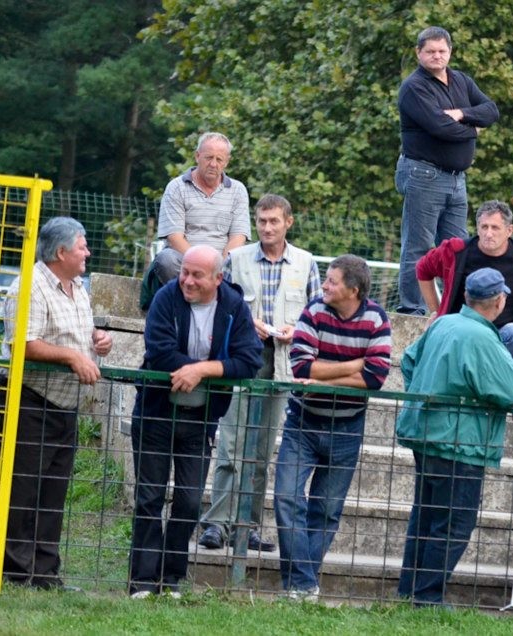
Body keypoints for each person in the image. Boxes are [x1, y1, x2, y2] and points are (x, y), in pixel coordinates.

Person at [129, 245, 263, 598]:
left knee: (189, 502)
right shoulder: (165, 298)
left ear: (218, 278)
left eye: (196, 275)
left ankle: (171, 578)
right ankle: (142, 582)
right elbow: (159, 352)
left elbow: (250, 359)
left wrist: (201, 370)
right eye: (184, 272)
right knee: (149, 497)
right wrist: (199, 369)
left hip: (201, 420)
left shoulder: (234, 306)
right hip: (156, 413)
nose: (187, 280)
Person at [396, 268, 513, 607]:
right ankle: (427, 598)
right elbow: (510, 389)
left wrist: (424, 392)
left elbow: (408, 360)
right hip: (461, 442)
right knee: (454, 523)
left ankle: (409, 590)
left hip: (425, 432)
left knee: (425, 515)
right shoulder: (482, 338)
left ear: (467, 297)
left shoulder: (443, 323)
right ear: (498, 301)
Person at [197, 194, 322, 554]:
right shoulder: (236, 259)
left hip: (281, 362)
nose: (267, 228)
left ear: (288, 222)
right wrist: (245, 322)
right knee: (231, 443)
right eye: (262, 221)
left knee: (263, 450)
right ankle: (217, 523)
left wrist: (296, 329)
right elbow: (217, 303)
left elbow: (316, 314)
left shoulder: (306, 262)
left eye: (274, 221)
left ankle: (247, 526)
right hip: (241, 359)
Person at [1, 217, 112, 590]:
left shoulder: (78, 286)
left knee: (53, 492)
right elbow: (24, 344)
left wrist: (97, 341)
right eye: (82, 246)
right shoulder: (28, 287)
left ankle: (45, 571)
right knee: (24, 488)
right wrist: (72, 356)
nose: (88, 253)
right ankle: (17, 570)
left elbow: (77, 334)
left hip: (66, 406)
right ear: (61, 252)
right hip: (33, 402)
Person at [274, 254, 392, 600]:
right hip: (302, 421)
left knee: (326, 511)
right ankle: (304, 583)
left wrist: (325, 376)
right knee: (286, 497)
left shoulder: (376, 318)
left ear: (353, 290)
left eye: (331, 281)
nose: (324, 285)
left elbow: (375, 378)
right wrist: (354, 365)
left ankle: (300, 585)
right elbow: (301, 368)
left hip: (347, 428)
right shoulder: (313, 311)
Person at [395, 26, 500, 315]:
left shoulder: (461, 81)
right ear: (418, 53)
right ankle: (413, 310)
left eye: (442, 51)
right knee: (419, 246)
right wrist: (474, 129)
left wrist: (463, 113)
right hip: (424, 174)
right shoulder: (414, 88)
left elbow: (491, 110)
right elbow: (441, 128)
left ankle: (456, 309)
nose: (437, 56)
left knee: (457, 247)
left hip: (456, 179)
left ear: (450, 52)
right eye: (430, 51)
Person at [416, 200, 513, 371]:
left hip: (504, 336)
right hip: (462, 333)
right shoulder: (455, 250)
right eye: (484, 227)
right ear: (477, 228)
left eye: (495, 228)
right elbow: (423, 269)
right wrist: (436, 311)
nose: (488, 233)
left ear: (509, 230)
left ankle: (505, 380)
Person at [147, 132, 251, 293]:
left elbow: (238, 238)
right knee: (166, 259)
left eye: (219, 159)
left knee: (247, 262)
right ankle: (191, 298)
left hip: (222, 265)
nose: (213, 164)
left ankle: (217, 297)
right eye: (209, 158)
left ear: (226, 162)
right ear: (197, 156)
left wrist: (218, 268)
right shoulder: (176, 187)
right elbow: (174, 238)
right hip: (184, 262)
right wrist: (200, 265)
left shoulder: (238, 190)